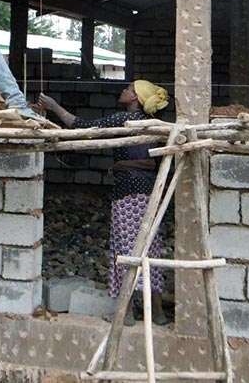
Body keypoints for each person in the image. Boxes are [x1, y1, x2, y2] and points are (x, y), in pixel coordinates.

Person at [39, 80, 170, 326]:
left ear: (136, 98)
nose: (124, 90)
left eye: (129, 89)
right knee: (150, 249)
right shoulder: (155, 124)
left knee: (126, 250)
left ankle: (127, 313)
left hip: (127, 191)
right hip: (151, 191)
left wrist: (54, 107)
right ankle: (158, 312)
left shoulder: (123, 119)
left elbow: (82, 126)